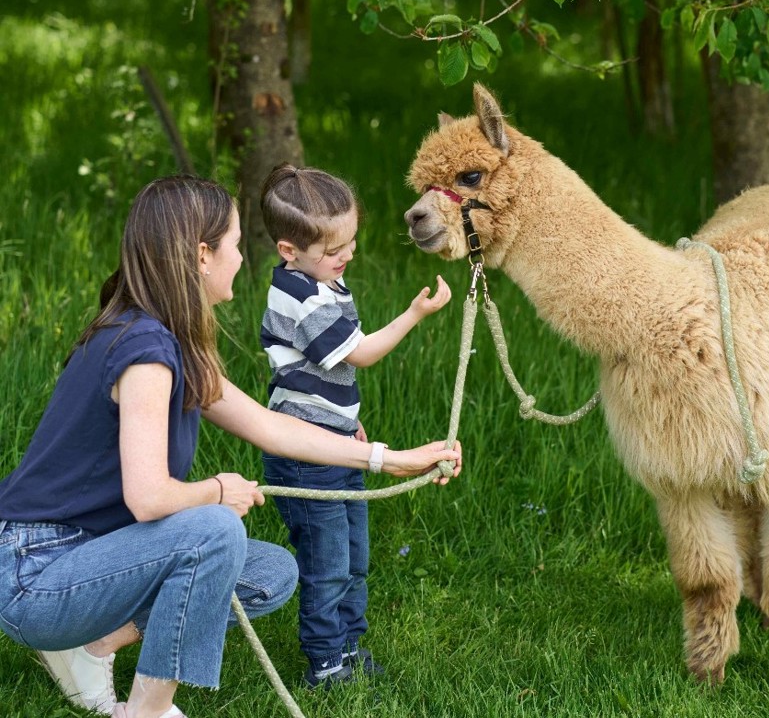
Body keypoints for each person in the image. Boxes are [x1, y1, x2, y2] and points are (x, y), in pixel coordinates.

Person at [0, 175, 461, 718]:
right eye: (236, 245)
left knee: (270, 574)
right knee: (215, 530)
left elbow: (271, 428)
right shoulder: (145, 351)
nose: (243, 259)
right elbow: (150, 499)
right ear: (202, 255)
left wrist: (390, 458)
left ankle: (91, 644)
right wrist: (218, 491)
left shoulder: (169, 338)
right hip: (35, 573)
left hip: (90, 555)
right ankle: (147, 711)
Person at [258, 163, 453, 688]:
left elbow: (322, 372)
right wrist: (415, 313)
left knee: (353, 555)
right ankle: (325, 664)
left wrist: (350, 420)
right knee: (328, 564)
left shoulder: (323, 280)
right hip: (305, 457)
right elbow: (360, 354)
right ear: (289, 252)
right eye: (333, 250)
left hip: (333, 441)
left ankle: (347, 647)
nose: (347, 257)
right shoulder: (302, 296)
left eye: (351, 243)